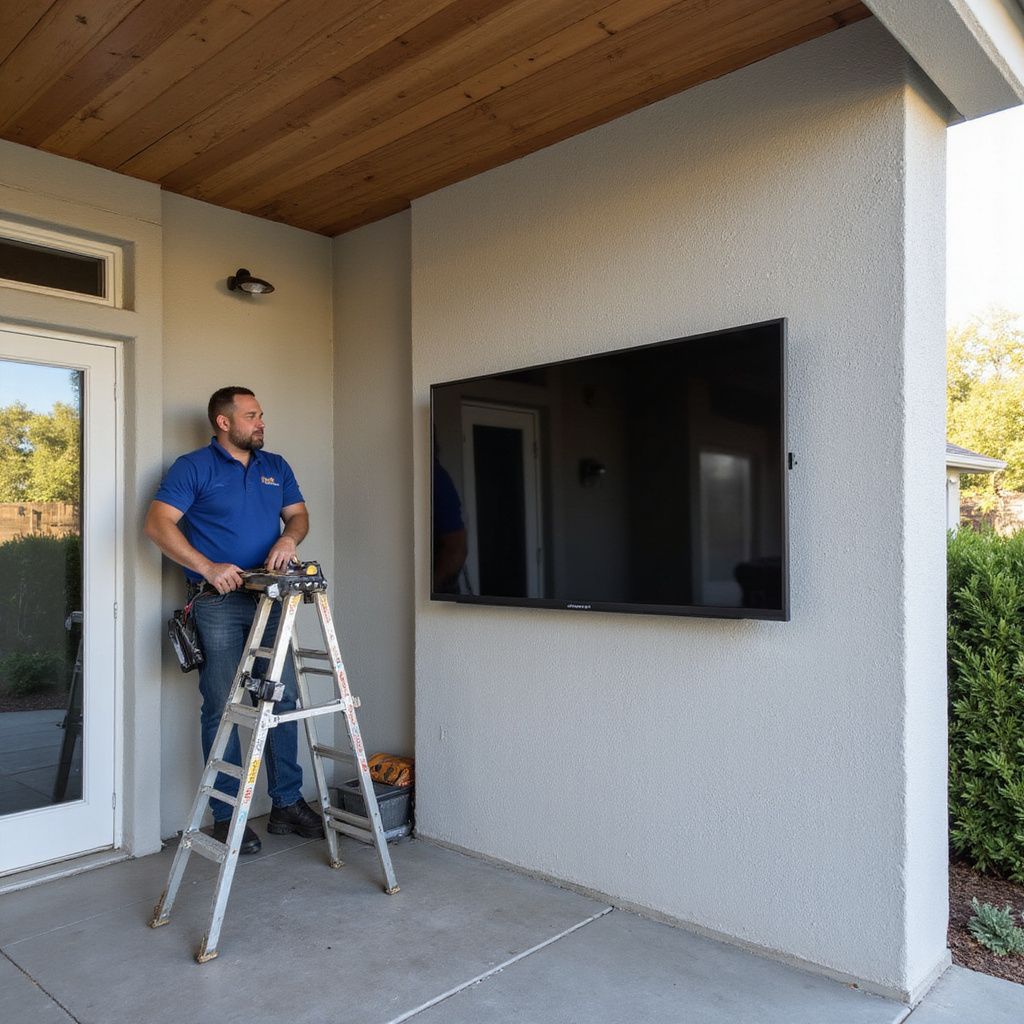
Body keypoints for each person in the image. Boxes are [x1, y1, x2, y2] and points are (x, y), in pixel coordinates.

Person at [144, 386, 324, 854]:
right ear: (223, 422)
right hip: (217, 603)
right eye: (251, 416)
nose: (261, 422)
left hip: (271, 600)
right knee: (223, 708)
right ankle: (228, 815)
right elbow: (158, 524)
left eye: (261, 414)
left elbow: (299, 516)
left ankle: (286, 803)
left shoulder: (275, 466)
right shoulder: (193, 468)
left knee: (280, 702)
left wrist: (289, 539)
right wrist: (207, 567)